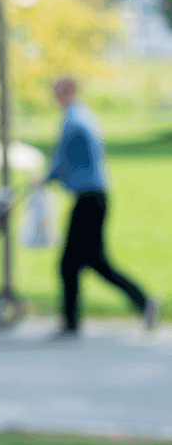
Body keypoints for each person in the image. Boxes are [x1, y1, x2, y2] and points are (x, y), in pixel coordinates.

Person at [40, 77, 160, 339]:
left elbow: (62, 159)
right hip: (93, 197)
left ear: (67, 92)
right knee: (86, 262)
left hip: (88, 199)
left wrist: (45, 179)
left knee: (76, 263)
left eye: (56, 91)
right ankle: (76, 320)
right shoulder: (82, 116)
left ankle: (75, 321)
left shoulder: (73, 121)